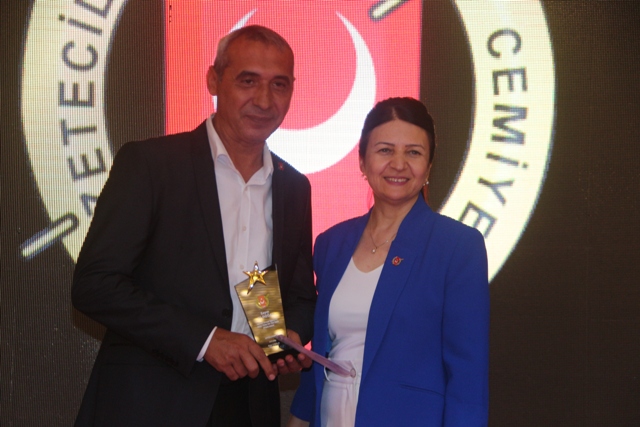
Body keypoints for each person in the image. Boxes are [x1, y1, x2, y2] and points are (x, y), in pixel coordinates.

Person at [72, 25, 317, 427]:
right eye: (248, 81)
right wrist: (205, 341)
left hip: (250, 405)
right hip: (151, 404)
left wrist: (281, 337)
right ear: (213, 80)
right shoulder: (151, 165)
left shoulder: (294, 187)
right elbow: (95, 284)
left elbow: (297, 296)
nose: (264, 100)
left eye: (279, 84)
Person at [288, 97, 489, 427]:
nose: (398, 164)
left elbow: (468, 376)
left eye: (413, 153)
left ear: (429, 166)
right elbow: (325, 353)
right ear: (362, 161)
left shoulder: (458, 246)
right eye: (385, 150)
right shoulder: (330, 244)